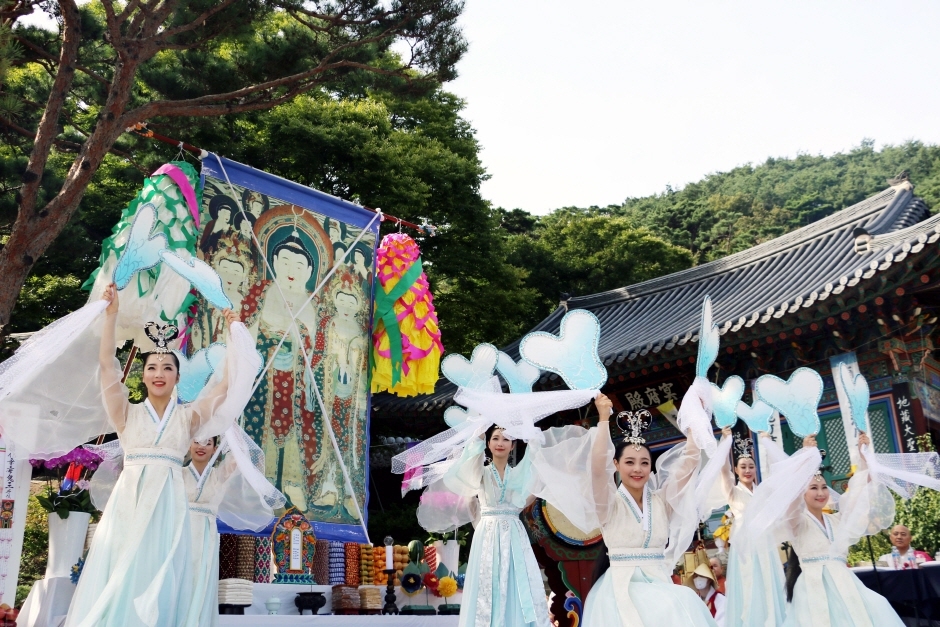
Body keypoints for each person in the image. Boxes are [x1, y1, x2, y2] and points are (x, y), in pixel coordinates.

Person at [65, 284, 259, 627]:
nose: (158, 374)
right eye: (152, 367)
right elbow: (107, 366)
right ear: (143, 374)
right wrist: (111, 316)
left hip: (170, 504)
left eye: (167, 368)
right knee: (122, 567)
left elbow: (225, 385)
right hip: (131, 500)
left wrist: (233, 335)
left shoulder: (189, 418)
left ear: (177, 378)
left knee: (163, 571)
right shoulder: (125, 413)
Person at [532, 394, 718, 626]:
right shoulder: (608, 504)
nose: (637, 469)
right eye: (629, 462)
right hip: (620, 591)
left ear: (651, 468)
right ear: (616, 465)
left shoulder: (662, 502)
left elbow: (689, 464)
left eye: (644, 463)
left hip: (659, 584)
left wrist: (695, 424)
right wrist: (602, 419)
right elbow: (598, 468)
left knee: (685, 601)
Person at [744, 433, 906, 627]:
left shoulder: (837, 519)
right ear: (802, 492)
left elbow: (858, 493)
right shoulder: (797, 521)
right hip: (813, 590)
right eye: (813, 488)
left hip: (846, 586)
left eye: (823, 487)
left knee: (875, 606)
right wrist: (806, 460)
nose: (820, 493)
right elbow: (792, 500)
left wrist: (865, 460)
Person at [428, 424, 553, 627]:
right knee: (488, 583)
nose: (500, 443)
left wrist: (534, 442)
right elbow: (470, 497)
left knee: (516, 579)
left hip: (513, 532)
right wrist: (482, 525)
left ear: (513, 445)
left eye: (506, 439)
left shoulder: (518, 475)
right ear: (488, 443)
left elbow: (530, 495)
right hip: (487, 533)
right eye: (495, 438)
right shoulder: (481, 472)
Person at [183, 429, 283, 626]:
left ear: (215, 449)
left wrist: (229, 422)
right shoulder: (177, 473)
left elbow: (242, 455)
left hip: (206, 535)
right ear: (189, 444)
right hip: (181, 533)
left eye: (208, 443)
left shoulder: (219, 475)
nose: (201, 446)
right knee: (180, 580)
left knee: (201, 585)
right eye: (196, 441)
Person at [715, 429, 787, 627]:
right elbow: (723, 469)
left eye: (751, 467)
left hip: (764, 541)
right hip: (744, 544)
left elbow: (778, 473)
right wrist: (725, 441)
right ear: (736, 470)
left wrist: (767, 442)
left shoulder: (761, 492)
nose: (747, 470)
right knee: (749, 582)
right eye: (743, 467)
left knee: (769, 581)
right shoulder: (733, 492)